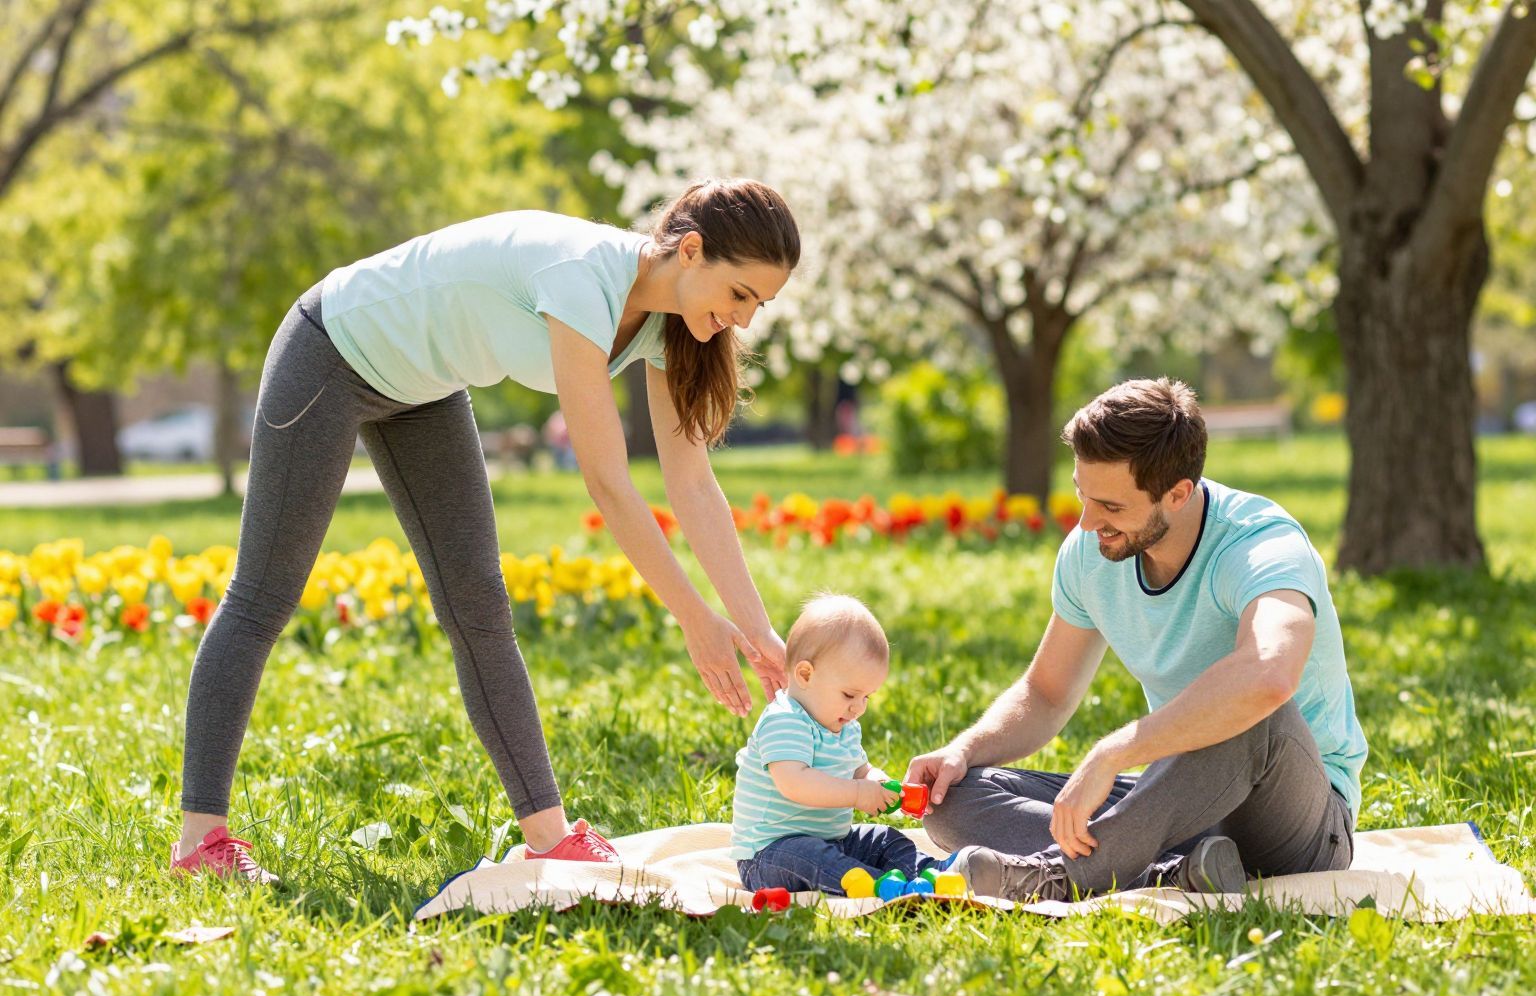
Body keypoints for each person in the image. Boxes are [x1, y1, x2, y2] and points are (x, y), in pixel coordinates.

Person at [172, 179, 800, 882]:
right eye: (740, 294)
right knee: (264, 595)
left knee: (479, 605)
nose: (741, 320)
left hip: (423, 385)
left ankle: (548, 837)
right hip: (331, 350)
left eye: (758, 306)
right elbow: (608, 484)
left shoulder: (672, 324)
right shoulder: (584, 278)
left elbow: (692, 485)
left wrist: (756, 631)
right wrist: (694, 617)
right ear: (691, 251)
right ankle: (200, 842)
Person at [907, 378, 1368, 901]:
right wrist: (964, 749)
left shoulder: (1262, 544)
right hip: (1177, 805)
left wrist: (1114, 752)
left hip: (1295, 819)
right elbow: (1046, 694)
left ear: (1178, 493)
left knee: (1256, 713)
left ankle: (1063, 876)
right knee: (950, 797)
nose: (1087, 522)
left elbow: (1269, 674)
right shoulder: (1093, 550)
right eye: (1083, 495)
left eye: (1111, 506)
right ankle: (1172, 872)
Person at [732, 595, 976, 895]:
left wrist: (878, 783)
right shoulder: (784, 720)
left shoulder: (843, 726)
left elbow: (861, 770)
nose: (858, 708)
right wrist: (859, 794)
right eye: (849, 695)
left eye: (866, 697)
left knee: (884, 838)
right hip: (769, 854)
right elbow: (794, 783)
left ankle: (930, 871)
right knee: (810, 855)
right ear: (806, 674)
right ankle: (874, 884)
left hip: (834, 840)